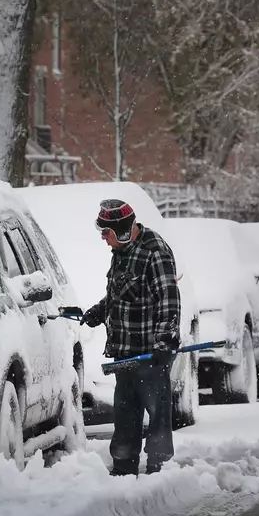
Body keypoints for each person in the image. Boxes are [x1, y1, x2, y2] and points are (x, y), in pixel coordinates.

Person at [81, 199, 181, 476]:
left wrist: (165, 342)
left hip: (150, 354)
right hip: (125, 352)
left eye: (107, 233)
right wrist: (99, 312)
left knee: (157, 415)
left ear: (124, 230)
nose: (104, 239)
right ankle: (124, 466)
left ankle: (160, 470)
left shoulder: (154, 252)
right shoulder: (122, 251)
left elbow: (169, 302)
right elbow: (123, 293)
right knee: (125, 415)